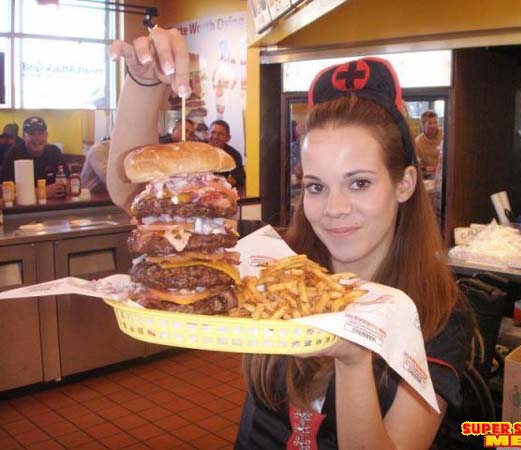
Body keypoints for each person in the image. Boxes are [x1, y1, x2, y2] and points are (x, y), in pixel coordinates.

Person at [108, 31, 472, 450]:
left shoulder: (437, 313)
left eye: (358, 183)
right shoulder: (272, 264)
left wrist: (354, 362)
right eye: (316, 187)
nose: (334, 208)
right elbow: (133, 195)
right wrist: (143, 81)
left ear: (405, 183)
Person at [1, 116, 69, 198]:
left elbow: (68, 181)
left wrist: (65, 187)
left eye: (40, 133)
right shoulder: (13, 154)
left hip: (54, 207)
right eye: (31, 133)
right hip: (23, 209)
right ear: (23, 136)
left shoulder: (54, 152)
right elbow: (4, 189)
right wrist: (42, 192)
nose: (37, 138)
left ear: (46, 135)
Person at [208, 119, 246, 189]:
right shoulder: (200, 150)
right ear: (208, 134)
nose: (215, 137)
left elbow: (239, 177)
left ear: (228, 138)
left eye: (220, 134)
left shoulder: (233, 154)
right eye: (213, 132)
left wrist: (221, 184)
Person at [415, 110, 443, 179]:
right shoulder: (418, 142)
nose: (434, 126)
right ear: (423, 125)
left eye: (435, 122)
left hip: (444, 172)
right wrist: (425, 169)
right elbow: (415, 164)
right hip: (427, 176)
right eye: (430, 123)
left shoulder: (445, 134)